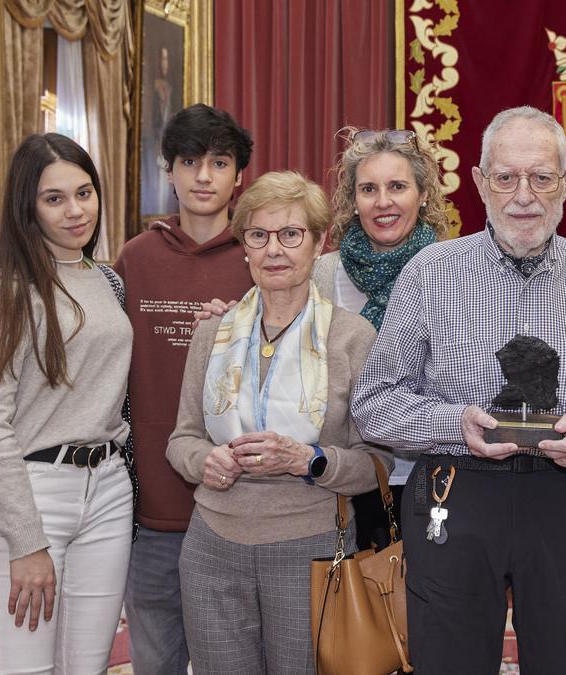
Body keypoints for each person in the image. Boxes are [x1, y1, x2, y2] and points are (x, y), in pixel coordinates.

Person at [350, 105, 566, 674]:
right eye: (506, 177)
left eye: (541, 177)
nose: (524, 195)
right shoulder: (430, 272)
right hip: (454, 495)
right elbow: (375, 402)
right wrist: (453, 425)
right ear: (479, 183)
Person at [166, 171, 390, 673]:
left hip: (310, 547)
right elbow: (181, 439)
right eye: (259, 235)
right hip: (212, 547)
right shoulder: (213, 334)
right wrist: (206, 460)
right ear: (243, 245)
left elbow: (376, 463)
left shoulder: (352, 338)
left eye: (291, 234)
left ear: (318, 243)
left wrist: (308, 460)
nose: (275, 250)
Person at [0, 133, 134, 672]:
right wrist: (26, 541)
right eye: (54, 199)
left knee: (87, 665)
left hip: (108, 489)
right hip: (35, 493)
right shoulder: (8, 291)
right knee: (23, 667)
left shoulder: (105, 278)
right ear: (27, 208)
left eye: (84, 192)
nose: (76, 210)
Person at [115, 103, 254, 674]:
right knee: (157, 661)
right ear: (166, 169)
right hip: (150, 513)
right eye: (189, 161)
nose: (203, 176)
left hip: (238, 507)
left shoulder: (261, 259)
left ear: (238, 174)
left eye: (219, 162)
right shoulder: (133, 258)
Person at [320, 127, 450, 550]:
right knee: (351, 614)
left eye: (397, 186)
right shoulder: (321, 276)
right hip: (344, 480)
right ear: (352, 201)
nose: (383, 202)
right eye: (368, 189)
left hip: (431, 479)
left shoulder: (452, 275)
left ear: (423, 194)